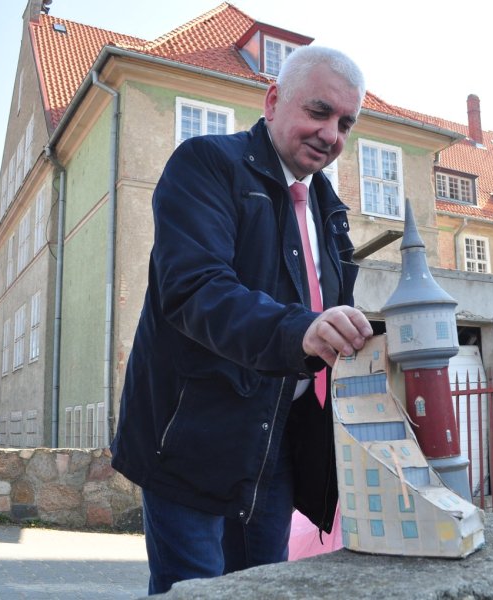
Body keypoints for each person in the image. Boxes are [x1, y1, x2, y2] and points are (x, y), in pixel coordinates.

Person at [110, 45, 373, 594]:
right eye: (319, 112)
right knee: (195, 589)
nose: (331, 135)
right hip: (192, 439)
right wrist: (300, 329)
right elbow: (195, 289)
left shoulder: (329, 208)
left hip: (275, 444)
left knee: (262, 589)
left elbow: (329, 318)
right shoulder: (206, 164)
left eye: (346, 124)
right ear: (273, 101)